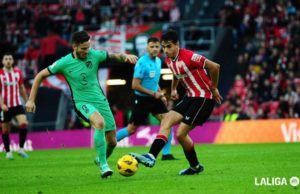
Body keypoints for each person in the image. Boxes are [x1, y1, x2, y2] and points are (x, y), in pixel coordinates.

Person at [25, 31, 137, 179]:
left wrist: (125, 56)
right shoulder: (64, 62)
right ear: (74, 47)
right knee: (99, 123)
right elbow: (40, 75)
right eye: (83, 48)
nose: (87, 51)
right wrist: (31, 100)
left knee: (112, 142)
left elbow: (114, 55)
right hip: (82, 102)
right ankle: (104, 166)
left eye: (88, 47)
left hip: (101, 101)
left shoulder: (94, 55)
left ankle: (100, 159)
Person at [130, 29, 223, 175]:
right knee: (166, 120)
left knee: (180, 134)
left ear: (177, 45)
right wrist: (174, 89)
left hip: (204, 98)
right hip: (189, 97)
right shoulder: (168, 60)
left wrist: (214, 87)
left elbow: (215, 66)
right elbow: (177, 73)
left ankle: (195, 166)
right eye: (163, 46)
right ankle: (151, 156)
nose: (165, 50)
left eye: (169, 46)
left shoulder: (190, 56)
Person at [116, 37, 176, 160]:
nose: (154, 49)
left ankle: (166, 154)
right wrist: (154, 94)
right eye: (152, 46)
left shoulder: (159, 61)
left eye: (157, 46)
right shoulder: (142, 63)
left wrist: (161, 94)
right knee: (131, 129)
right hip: (142, 100)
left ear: (160, 48)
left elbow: (154, 81)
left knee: (168, 122)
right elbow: (135, 85)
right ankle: (109, 142)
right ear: (147, 48)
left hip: (155, 99)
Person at [0, 53, 29, 160]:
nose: (8, 61)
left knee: (24, 123)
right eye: (6, 59)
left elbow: (21, 88)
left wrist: (27, 101)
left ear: (12, 61)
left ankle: (21, 149)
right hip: (5, 106)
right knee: (5, 129)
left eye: (10, 59)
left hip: (17, 104)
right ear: (3, 61)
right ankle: (8, 152)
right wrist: (2, 104)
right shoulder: (0, 74)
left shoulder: (18, 73)